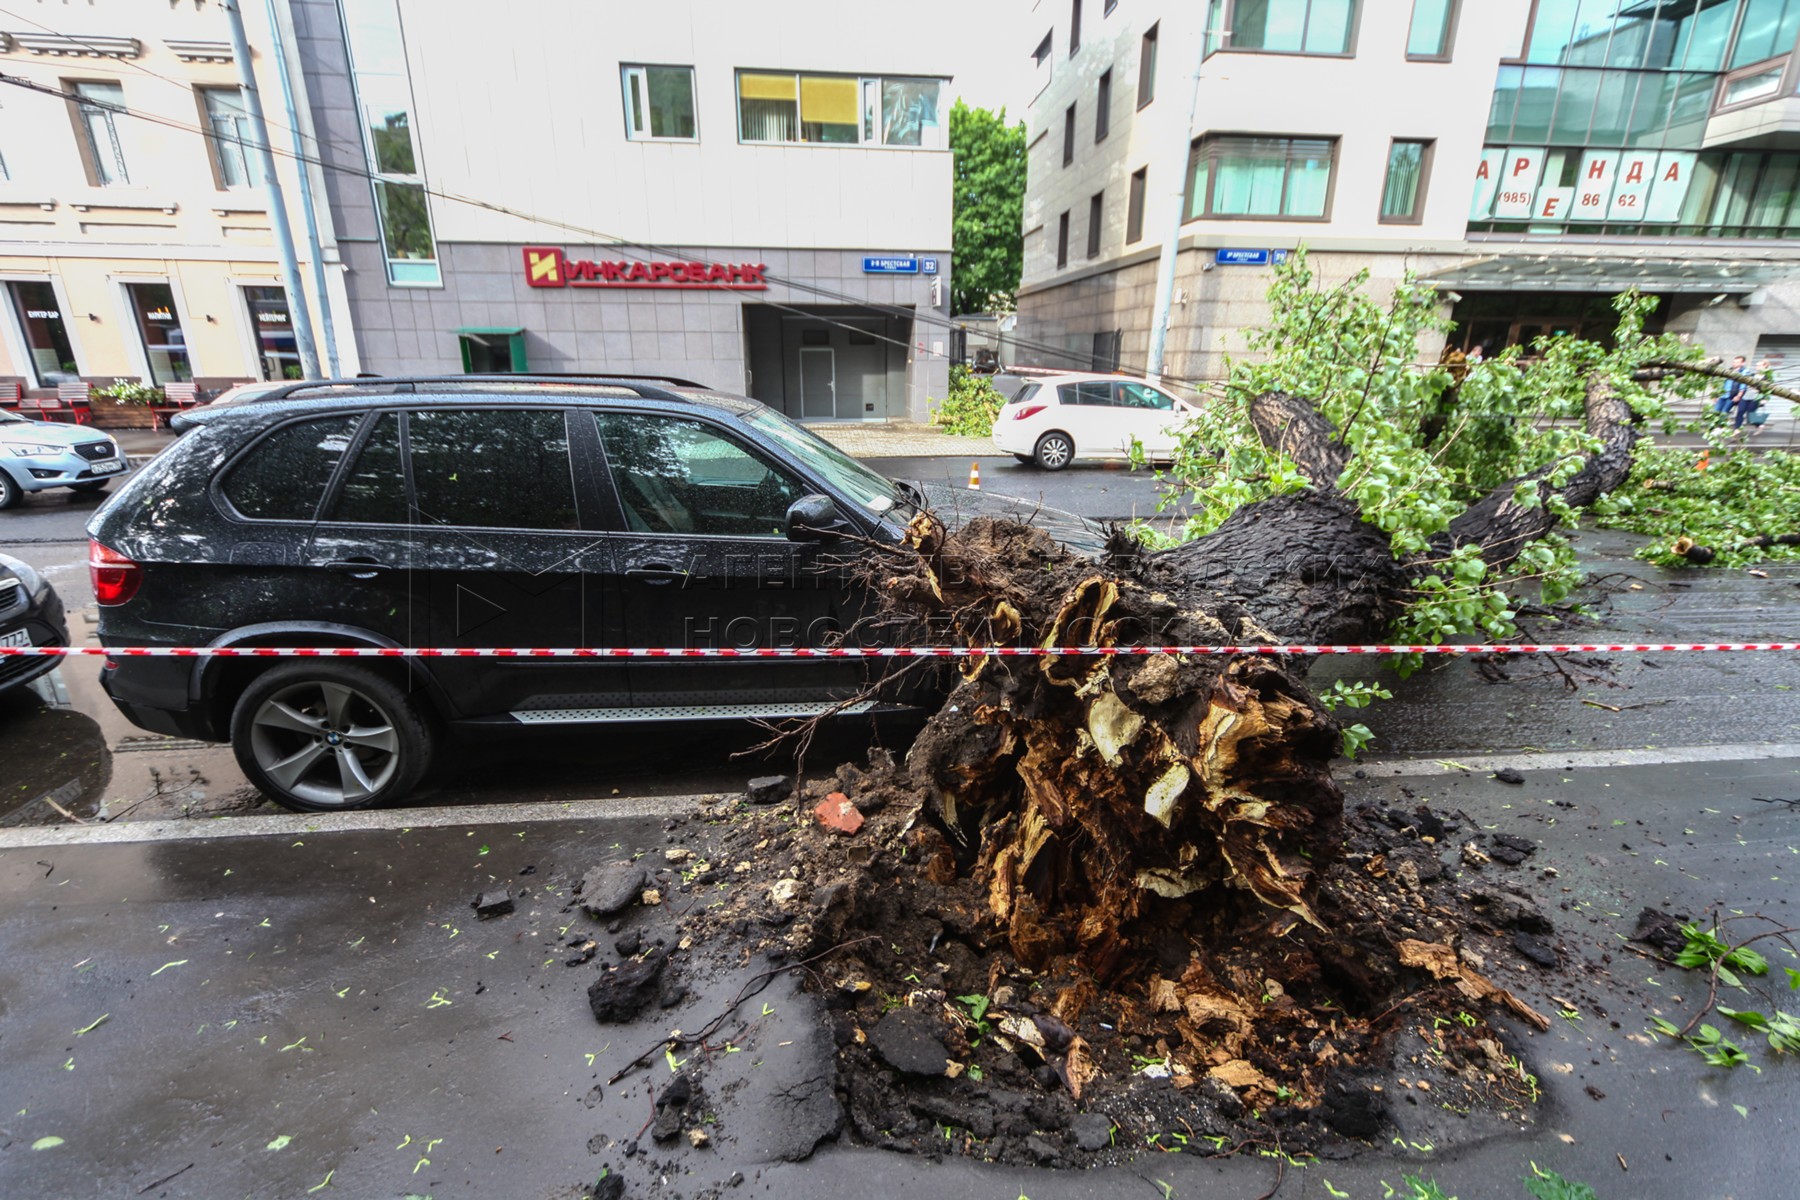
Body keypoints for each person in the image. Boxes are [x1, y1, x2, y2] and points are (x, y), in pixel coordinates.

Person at [1735, 358, 1773, 436]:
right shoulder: (1752, 375)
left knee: (1750, 415)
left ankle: (1759, 425)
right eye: (1756, 365)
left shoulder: (1767, 378)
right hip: (1746, 396)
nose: (1757, 367)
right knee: (1740, 412)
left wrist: (1765, 399)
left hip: (1755, 398)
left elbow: (1769, 390)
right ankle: (1737, 429)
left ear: (1765, 366)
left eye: (1759, 365)